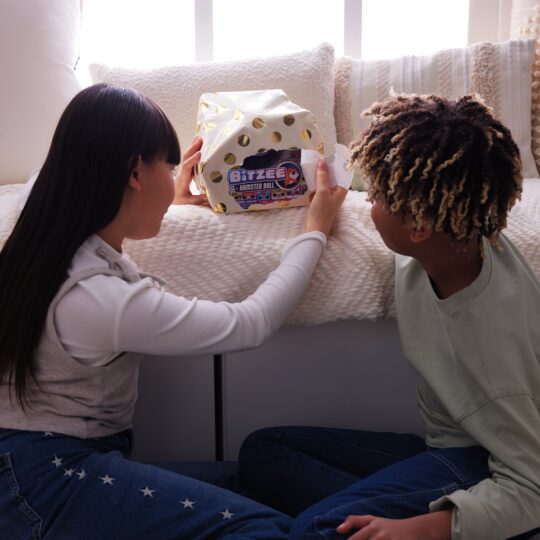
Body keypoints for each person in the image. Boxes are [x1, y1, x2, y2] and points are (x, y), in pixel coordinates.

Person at [0, 83, 346, 539]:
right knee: (265, 528)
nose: (175, 180)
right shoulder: (98, 299)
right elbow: (251, 323)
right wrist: (315, 231)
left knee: (257, 488)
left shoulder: (41, 222)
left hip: (27, 467)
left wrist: (164, 199)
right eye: (168, 168)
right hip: (43, 482)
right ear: (134, 174)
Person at [238, 95, 540, 539]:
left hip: (495, 466)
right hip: (445, 452)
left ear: (418, 226)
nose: (369, 202)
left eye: (378, 197)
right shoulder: (455, 234)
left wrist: (422, 528)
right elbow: (410, 157)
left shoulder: (494, 344)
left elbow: (533, 488)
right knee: (264, 451)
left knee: (316, 528)